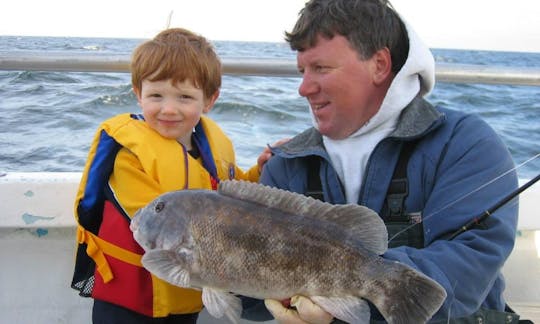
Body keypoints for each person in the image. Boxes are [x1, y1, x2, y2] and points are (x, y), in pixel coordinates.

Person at [249, 0, 521, 323]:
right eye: (302, 71)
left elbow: (470, 265)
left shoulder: (465, 144)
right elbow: (248, 303)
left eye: (321, 68)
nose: (304, 88)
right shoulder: (287, 165)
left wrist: (341, 303)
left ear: (379, 64)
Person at [70, 28, 267, 323]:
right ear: (138, 94)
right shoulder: (129, 156)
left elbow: (233, 189)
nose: (169, 109)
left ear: (209, 100)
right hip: (129, 303)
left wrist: (262, 170)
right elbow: (158, 220)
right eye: (156, 95)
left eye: (185, 96)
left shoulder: (212, 149)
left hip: (185, 297)